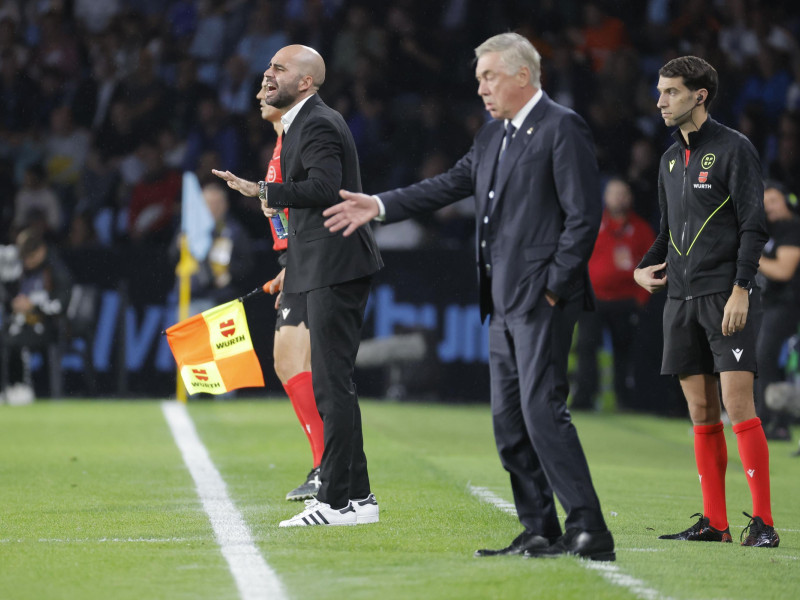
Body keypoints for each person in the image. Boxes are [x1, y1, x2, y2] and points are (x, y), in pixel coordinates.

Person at [323, 32, 614, 560]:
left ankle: (589, 527)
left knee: (542, 410)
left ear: (523, 76)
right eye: (479, 77)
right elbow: (447, 185)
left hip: (541, 299)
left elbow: (583, 218)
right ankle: (540, 528)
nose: (480, 87)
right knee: (508, 420)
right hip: (501, 301)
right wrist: (380, 204)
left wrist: (553, 287)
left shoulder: (561, 127)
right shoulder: (491, 136)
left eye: (489, 76)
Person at [212, 45, 383, 527]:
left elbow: (326, 188)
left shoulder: (318, 123)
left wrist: (261, 191)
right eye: (267, 67)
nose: (267, 75)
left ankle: (334, 501)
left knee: (333, 385)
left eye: (279, 69)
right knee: (333, 384)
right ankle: (359, 499)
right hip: (321, 264)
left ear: (305, 82)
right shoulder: (301, 123)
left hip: (336, 264)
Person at [634, 56, 778, 548]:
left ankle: (763, 523)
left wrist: (742, 288)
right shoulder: (671, 159)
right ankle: (715, 523)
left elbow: (754, 226)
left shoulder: (735, 149)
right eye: (659, 91)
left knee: (738, 406)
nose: (660, 101)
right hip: (680, 298)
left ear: (699, 95)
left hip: (725, 295)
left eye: (670, 92)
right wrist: (641, 266)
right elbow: (668, 231)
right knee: (700, 411)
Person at [257, 79, 325, 502]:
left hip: (316, 266)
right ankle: (325, 462)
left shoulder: (301, 139)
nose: (260, 96)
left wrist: (297, 263)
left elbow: (313, 200)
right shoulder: (280, 146)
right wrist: (287, 267)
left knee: (295, 360)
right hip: (298, 265)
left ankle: (328, 464)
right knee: (288, 362)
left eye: (269, 88)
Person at [573, 178, 655, 411]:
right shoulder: (591, 224)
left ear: (629, 198)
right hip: (593, 299)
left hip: (626, 301)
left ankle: (625, 400)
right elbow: (576, 257)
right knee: (586, 349)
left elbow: (655, 264)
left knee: (625, 352)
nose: (618, 198)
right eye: (613, 193)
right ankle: (584, 398)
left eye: (623, 193)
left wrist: (641, 299)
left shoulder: (641, 229)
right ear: (605, 197)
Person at [1, 228, 72, 404]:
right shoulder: (19, 269)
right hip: (23, 322)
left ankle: (21, 386)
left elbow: (61, 305)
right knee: (8, 332)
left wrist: (34, 306)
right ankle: (7, 387)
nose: (27, 262)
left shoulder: (56, 269)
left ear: (41, 251)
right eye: (24, 258)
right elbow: (9, 297)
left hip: (49, 325)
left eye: (30, 258)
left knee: (15, 337)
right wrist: (14, 304)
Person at [755, 181, 800, 440]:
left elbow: (783, 271)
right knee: (769, 360)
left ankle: (770, 419)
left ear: (787, 200)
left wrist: (752, 256)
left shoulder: (792, 227)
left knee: (765, 356)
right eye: (765, 202)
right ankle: (776, 421)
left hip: (788, 304)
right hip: (771, 304)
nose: (769, 206)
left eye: (773, 200)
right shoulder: (772, 229)